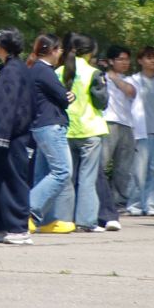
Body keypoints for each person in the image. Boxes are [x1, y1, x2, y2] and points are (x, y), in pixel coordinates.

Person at [0, 28, 36, 244]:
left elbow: (7, 106)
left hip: (10, 139)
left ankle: (18, 228)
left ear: (2, 46)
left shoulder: (13, 71)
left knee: (12, 182)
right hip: (6, 138)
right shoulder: (12, 68)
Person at [25, 34, 76, 234]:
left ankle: (45, 220)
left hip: (42, 126)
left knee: (44, 174)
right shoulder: (44, 70)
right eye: (59, 49)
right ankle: (26, 211)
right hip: (50, 126)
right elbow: (63, 97)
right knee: (62, 171)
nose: (61, 53)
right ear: (52, 50)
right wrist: (70, 96)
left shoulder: (36, 69)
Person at [59, 33, 109, 233]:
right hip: (89, 130)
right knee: (87, 178)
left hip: (66, 130)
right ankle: (86, 221)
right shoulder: (93, 73)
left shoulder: (58, 71)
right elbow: (101, 102)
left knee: (67, 178)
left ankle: (64, 219)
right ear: (89, 53)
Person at [97, 43, 139, 224]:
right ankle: (99, 202)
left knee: (123, 168)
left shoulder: (130, 80)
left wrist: (114, 77)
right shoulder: (101, 77)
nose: (125, 62)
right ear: (111, 61)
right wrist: (108, 75)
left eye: (127, 59)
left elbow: (131, 92)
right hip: (108, 123)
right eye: (121, 59)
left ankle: (119, 202)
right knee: (101, 164)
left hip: (127, 125)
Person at [135, 47, 154, 217]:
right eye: (149, 57)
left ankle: (150, 204)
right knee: (139, 170)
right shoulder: (134, 80)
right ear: (140, 60)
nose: (153, 61)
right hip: (141, 130)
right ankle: (135, 204)